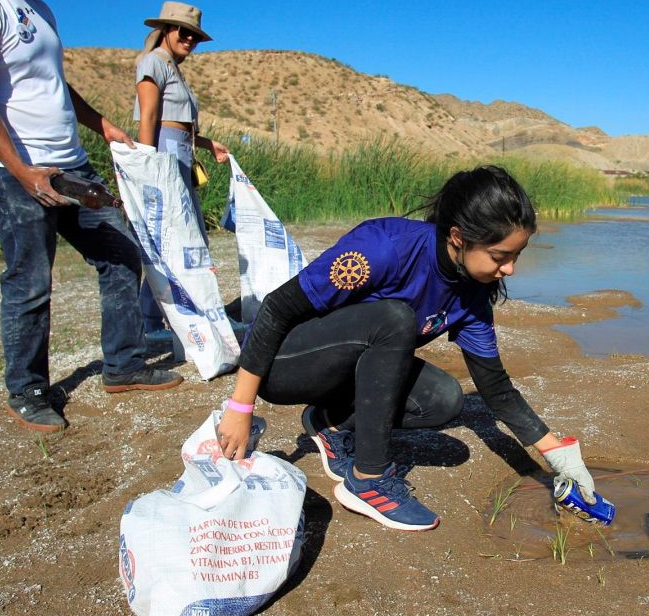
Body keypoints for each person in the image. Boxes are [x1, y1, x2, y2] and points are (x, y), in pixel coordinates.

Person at [217, 165, 597, 531]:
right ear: (458, 237)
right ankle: (368, 479)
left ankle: (329, 424)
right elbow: (277, 308)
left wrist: (557, 452)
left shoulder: (472, 296)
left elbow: (495, 387)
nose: (510, 269)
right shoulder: (383, 250)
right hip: (284, 363)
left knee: (445, 399)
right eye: (500, 257)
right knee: (395, 319)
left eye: (517, 255)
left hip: (341, 371)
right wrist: (240, 407)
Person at [0, 0, 183, 434]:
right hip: (19, 170)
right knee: (30, 281)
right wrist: (22, 172)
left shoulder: (40, 11)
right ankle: (27, 390)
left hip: (70, 165)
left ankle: (123, 366)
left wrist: (101, 124)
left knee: (119, 254)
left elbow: (51, 85)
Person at [132, 1, 228, 340]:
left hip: (182, 153)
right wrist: (148, 163)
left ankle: (172, 316)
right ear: (166, 30)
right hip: (165, 153)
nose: (189, 39)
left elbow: (182, 125)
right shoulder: (153, 63)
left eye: (195, 36)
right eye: (183, 32)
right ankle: (150, 321)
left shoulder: (174, 68)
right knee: (168, 237)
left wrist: (207, 144)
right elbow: (149, 117)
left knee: (184, 237)